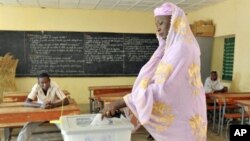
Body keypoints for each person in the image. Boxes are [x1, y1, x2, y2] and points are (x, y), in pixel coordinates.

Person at [102, 2, 207, 141]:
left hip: (183, 122)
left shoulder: (181, 48)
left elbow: (162, 88)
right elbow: (156, 79)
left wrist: (121, 102)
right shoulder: (174, 48)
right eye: (156, 24)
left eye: (161, 23)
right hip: (184, 115)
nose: (158, 29)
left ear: (175, 22)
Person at [17, 72, 69, 141]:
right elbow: (26, 103)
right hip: (40, 112)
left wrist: (53, 105)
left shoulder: (55, 86)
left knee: (65, 125)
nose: (44, 84)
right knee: (28, 126)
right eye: (42, 83)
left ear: (49, 81)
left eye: (46, 82)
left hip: (54, 113)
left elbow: (66, 101)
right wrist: (41, 105)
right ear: (38, 83)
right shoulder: (36, 87)